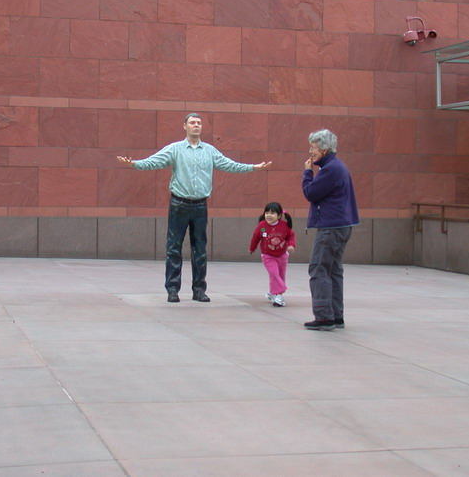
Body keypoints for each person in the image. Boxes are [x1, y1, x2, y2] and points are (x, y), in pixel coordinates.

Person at [117, 113, 272, 303]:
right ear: (185, 126)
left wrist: (252, 168)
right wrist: (135, 164)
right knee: (173, 248)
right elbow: (154, 161)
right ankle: (172, 289)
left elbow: (229, 165)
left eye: (199, 123)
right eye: (192, 123)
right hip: (178, 204)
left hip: (200, 205)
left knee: (200, 249)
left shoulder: (210, 151)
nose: (196, 125)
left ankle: (199, 290)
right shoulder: (175, 149)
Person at [301, 129, 359, 330]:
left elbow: (311, 193)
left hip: (331, 227)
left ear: (324, 149)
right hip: (342, 225)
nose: (311, 151)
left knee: (319, 269)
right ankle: (336, 316)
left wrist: (308, 173)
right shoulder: (336, 166)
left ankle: (324, 316)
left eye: (313, 147)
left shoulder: (330, 169)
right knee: (333, 270)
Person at [249, 202, 296, 307]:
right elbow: (255, 238)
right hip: (267, 256)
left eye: (272, 213)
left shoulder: (284, 225)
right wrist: (252, 248)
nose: (269, 215)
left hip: (282, 255)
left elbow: (290, 236)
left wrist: (291, 245)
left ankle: (273, 293)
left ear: (279, 216)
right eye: (267, 213)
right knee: (274, 274)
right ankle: (280, 294)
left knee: (280, 275)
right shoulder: (262, 226)